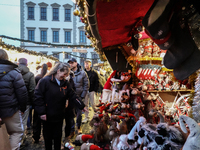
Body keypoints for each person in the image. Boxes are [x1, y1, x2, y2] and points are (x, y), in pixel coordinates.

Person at [34, 62, 85, 150]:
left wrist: (81, 105)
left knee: (58, 137)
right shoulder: (45, 81)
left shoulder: (64, 83)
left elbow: (72, 95)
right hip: (47, 115)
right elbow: (38, 97)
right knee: (48, 138)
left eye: (66, 75)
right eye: (64, 74)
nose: (65, 76)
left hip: (59, 115)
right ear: (58, 71)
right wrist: (42, 112)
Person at [0, 49, 28, 149]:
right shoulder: (14, 72)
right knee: (16, 132)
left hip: (10, 108)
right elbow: (22, 93)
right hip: (11, 110)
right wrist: (23, 108)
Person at [68, 58, 89, 134]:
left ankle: (78, 126)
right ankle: (72, 128)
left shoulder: (83, 73)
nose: (71, 64)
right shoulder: (68, 73)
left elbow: (86, 84)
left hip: (79, 96)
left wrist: (83, 95)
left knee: (79, 113)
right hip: (70, 96)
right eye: (70, 63)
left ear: (76, 63)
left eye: (72, 62)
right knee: (71, 113)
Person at [17, 58, 36, 134]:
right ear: (27, 64)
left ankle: (16, 138)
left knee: (16, 121)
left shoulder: (13, 72)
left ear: (18, 63)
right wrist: (33, 101)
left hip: (14, 101)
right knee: (23, 120)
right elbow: (32, 89)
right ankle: (20, 140)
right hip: (26, 101)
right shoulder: (30, 74)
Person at [32, 63, 48, 143]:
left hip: (38, 102)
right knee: (46, 123)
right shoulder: (48, 78)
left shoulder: (37, 77)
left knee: (36, 121)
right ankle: (47, 138)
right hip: (47, 103)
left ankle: (36, 137)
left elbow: (34, 90)